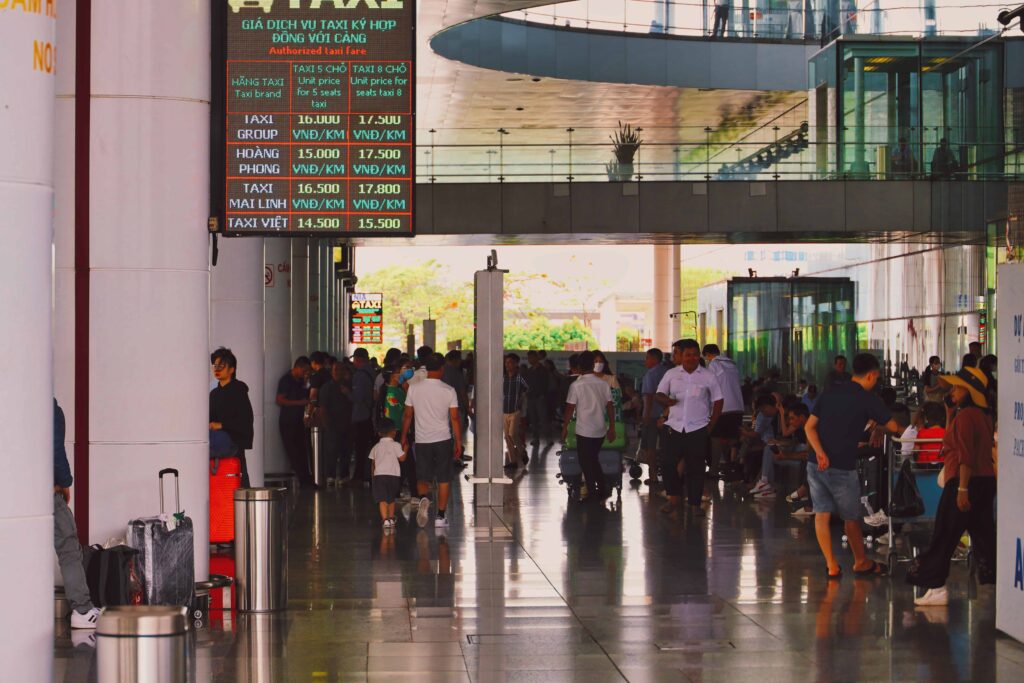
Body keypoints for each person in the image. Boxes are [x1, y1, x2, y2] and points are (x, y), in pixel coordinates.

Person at [804, 353, 902, 578]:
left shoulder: (829, 392)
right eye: (876, 378)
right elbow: (895, 426)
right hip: (842, 467)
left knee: (822, 514)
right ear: (871, 375)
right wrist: (882, 427)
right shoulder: (867, 399)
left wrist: (819, 453)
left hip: (815, 464)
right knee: (851, 518)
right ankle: (861, 562)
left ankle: (831, 565)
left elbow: (809, 427)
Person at [906, 367, 996, 605]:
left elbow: (966, 455)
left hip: (963, 480)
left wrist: (962, 489)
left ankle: (936, 586)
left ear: (968, 391)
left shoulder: (966, 416)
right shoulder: (984, 415)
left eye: (957, 387)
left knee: (945, 534)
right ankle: (995, 583)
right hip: (985, 482)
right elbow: (956, 442)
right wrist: (950, 413)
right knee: (984, 536)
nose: (952, 390)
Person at [655, 339, 724, 517]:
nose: (691, 358)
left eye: (695, 355)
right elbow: (659, 394)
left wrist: (711, 425)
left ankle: (694, 504)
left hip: (698, 428)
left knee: (696, 469)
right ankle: (673, 498)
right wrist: (667, 401)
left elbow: (718, 400)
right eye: (688, 355)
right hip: (674, 427)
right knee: (667, 463)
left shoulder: (708, 376)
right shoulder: (671, 374)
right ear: (682, 355)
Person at [53, 398, 101, 629]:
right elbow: (55, 450)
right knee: (69, 546)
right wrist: (64, 482)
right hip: (45, 489)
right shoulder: (47, 407)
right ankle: (82, 611)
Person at [402, 353, 462, 529]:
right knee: (444, 478)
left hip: (422, 440)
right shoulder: (448, 390)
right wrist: (458, 442)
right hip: (443, 439)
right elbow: (455, 418)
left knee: (423, 476)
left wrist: (404, 437)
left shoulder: (414, 388)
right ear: (442, 368)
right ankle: (441, 516)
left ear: (425, 369)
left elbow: (407, 415)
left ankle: (423, 498)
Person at [562, 350, 616, 502]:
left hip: (584, 430)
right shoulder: (603, 384)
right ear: (593, 365)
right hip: (600, 429)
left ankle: (593, 493)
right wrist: (611, 428)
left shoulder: (576, 385)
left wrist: (565, 427)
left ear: (579, 366)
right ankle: (602, 489)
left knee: (586, 462)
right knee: (593, 459)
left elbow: (569, 408)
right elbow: (610, 406)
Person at [209, 347, 255, 487]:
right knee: (235, 477)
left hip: (234, 439)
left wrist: (221, 425)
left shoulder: (238, 390)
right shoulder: (214, 394)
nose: (217, 369)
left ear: (231, 369)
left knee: (239, 476)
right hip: (221, 440)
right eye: (215, 366)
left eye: (222, 366)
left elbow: (246, 419)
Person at [703, 344, 744, 494]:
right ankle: (732, 468)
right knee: (732, 439)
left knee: (715, 439)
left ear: (707, 355)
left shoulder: (714, 364)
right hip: (738, 406)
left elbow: (710, 387)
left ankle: (713, 470)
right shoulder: (732, 364)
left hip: (723, 407)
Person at [755, 403, 813, 500]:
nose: (790, 422)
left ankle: (805, 492)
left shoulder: (811, 427)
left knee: (809, 461)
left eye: (792, 418)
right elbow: (785, 433)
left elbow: (809, 455)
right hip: (806, 452)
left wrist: (786, 456)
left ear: (802, 417)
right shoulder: (805, 426)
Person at [277, 357, 313, 486]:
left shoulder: (301, 381)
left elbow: (307, 393)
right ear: (297, 367)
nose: (306, 373)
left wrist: (307, 381)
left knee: (302, 451)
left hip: (298, 421)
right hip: (288, 421)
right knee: (294, 452)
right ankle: (303, 480)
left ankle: (307, 478)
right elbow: (280, 400)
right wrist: (299, 403)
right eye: (305, 370)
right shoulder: (286, 380)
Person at [369, 418, 407, 530]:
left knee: (382, 499)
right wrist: (406, 449)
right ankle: (391, 518)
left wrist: (373, 476)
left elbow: (373, 463)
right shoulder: (396, 445)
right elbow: (402, 458)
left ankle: (385, 520)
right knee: (391, 499)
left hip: (379, 476)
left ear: (379, 433)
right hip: (394, 476)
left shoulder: (376, 447)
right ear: (394, 432)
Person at [319, 360, 354, 481]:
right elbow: (322, 407)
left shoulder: (349, 385)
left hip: (347, 424)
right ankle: (330, 476)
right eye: (336, 370)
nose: (339, 372)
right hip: (332, 425)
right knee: (331, 451)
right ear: (332, 372)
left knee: (346, 451)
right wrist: (326, 424)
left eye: (341, 369)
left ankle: (344, 475)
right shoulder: (326, 387)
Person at [640, 348, 671, 472]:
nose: (645, 361)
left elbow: (649, 396)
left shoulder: (650, 374)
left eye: (647, 358)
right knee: (666, 446)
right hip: (667, 415)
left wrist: (646, 416)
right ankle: (667, 473)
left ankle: (653, 476)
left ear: (654, 359)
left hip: (652, 415)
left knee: (650, 447)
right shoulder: (668, 372)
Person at [350, 348, 377, 486]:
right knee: (369, 448)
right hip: (370, 415)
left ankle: (359, 477)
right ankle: (368, 475)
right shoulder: (371, 372)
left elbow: (358, 397)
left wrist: (346, 393)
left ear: (358, 360)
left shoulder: (360, 375)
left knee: (361, 448)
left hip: (362, 416)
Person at [502, 353, 529, 470]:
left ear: (516, 364)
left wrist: (521, 400)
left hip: (515, 411)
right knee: (507, 437)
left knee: (512, 434)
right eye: (506, 362)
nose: (508, 365)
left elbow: (527, 389)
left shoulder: (519, 378)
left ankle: (522, 452)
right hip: (504, 411)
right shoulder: (503, 378)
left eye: (510, 362)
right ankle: (513, 461)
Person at [442, 350, 470, 455]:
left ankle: (446, 454)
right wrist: (468, 409)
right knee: (456, 432)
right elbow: (463, 392)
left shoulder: (441, 371)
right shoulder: (457, 373)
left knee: (446, 432)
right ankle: (455, 455)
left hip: (443, 408)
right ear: (456, 360)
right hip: (457, 407)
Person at [524, 350, 550, 446]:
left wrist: (543, 395)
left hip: (540, 397)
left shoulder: (543, 370)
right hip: (531, 397)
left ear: (536, 358)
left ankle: (548, 438)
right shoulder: (529, 370)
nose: (529, 360)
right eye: (528, 358)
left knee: (543, 419)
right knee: (533, 419)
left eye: (531, 357)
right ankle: (536, 439)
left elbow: (546, 383)